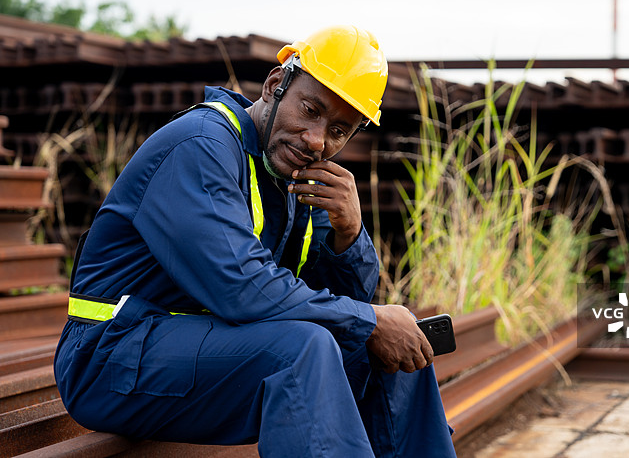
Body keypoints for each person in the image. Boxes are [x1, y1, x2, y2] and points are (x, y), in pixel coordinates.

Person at [54, 25, 457, 457]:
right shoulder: (201, 146)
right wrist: (371, 320)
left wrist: (350, 234)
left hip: (200, 346)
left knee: (400, 346)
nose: (317, 140)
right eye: (310, 109)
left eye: (339, 131)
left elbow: (343, 305)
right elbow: (241, 288)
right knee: (308, 348)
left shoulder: (293, 177)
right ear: (273, 85)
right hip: (110, 357)